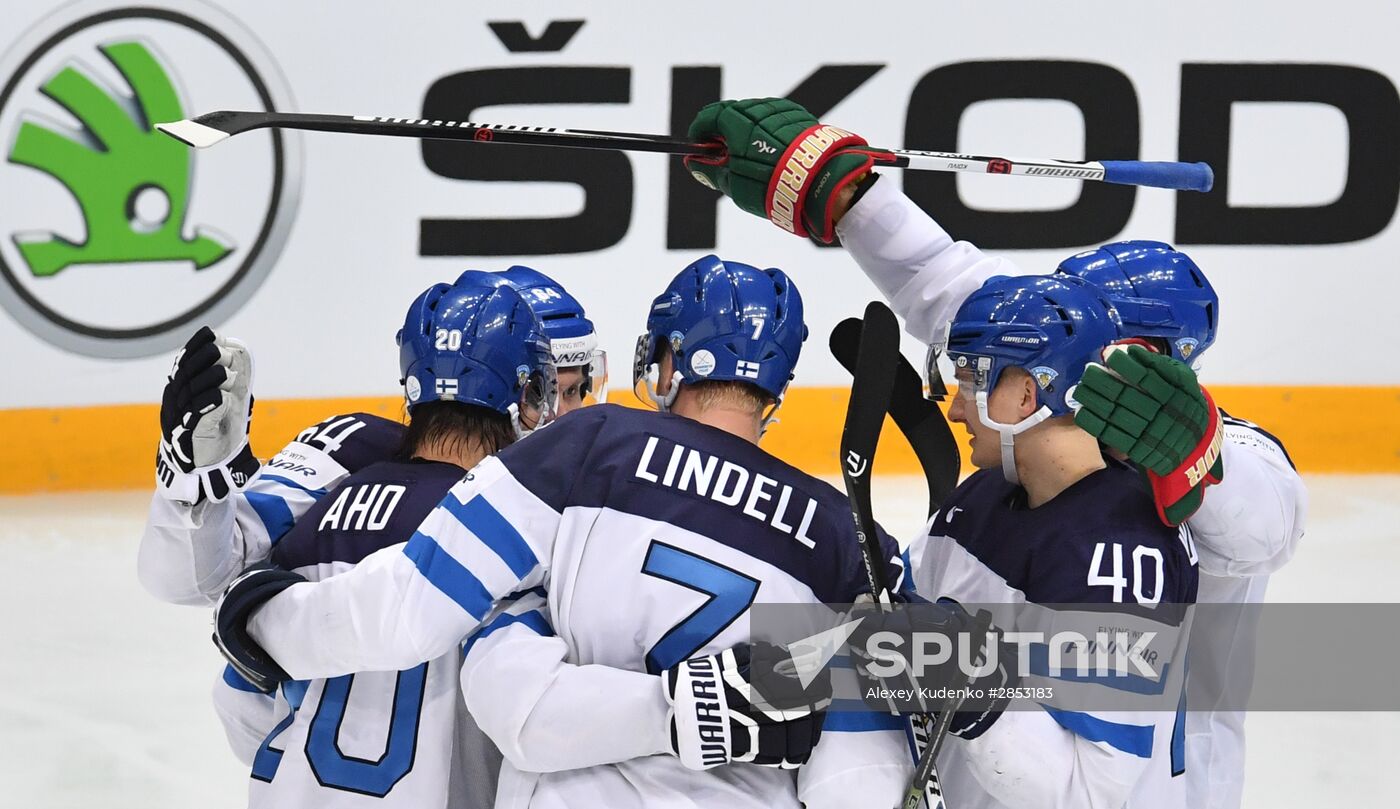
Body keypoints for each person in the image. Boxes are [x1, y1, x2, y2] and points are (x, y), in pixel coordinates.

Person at [685, 98, 1306, 809]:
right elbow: (958, 289)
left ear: (1140, 353)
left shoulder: (1220, 456)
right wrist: (846, 194)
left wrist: (1199, 453)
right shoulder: (1037, 447)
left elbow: (1266, 521)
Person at [214, 255, 915, 809]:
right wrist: (955, 655)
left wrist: (257, 621)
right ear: (777, 386)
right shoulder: (849, 538)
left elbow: (417, 620)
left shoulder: (586, 443)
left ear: (667, 364)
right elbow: (873, 765)